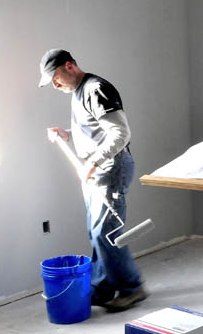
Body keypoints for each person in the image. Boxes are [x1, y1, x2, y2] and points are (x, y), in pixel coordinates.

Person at [39, 48, 147, 312]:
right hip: (96, 170)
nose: (54, 84)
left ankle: (132, 288)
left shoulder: (96, 88)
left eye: (55, 77)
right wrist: (67, 133)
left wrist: (94, 162)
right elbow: (94, 130)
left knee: (105, 233)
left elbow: (120, 133)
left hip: (111, 168)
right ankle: (102, 288)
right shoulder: (78, 92)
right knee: (96, 232)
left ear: (69, 66)